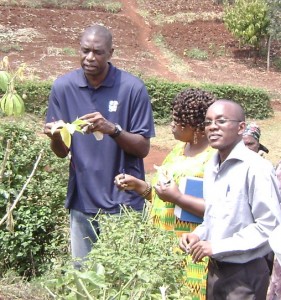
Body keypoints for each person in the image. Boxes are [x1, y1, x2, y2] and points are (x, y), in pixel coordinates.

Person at [43, 24, 155, 266]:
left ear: (111, 53)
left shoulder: (132, 88)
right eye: (85, 51)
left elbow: (143, 147)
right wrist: (55, 137)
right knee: (84, 276)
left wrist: (112, 129)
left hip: (123, 203)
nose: (90, 58)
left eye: (98, 52)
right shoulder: (63, 88)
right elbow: (62, 153)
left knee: (123, 275)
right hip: (83, 201)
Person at [115, 88, 217, 299]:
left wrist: (177, 197)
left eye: (176, 119)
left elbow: (218, 212)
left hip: (192, 249)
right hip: (164, 246)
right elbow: (164, 198)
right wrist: (140, 186)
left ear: (194, 126)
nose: (171, 124)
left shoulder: (213, 159)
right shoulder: (178, 151)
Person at [179, 99, 281, 300]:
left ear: (241, 127)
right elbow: (213, 217)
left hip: (245, 273)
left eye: (221, 121)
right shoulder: (212, 167)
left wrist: (216, 246)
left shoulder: (256, 168)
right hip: (216, 269)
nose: (213, 127)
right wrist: (198, 235)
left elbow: (269, 225)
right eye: (208, 122)